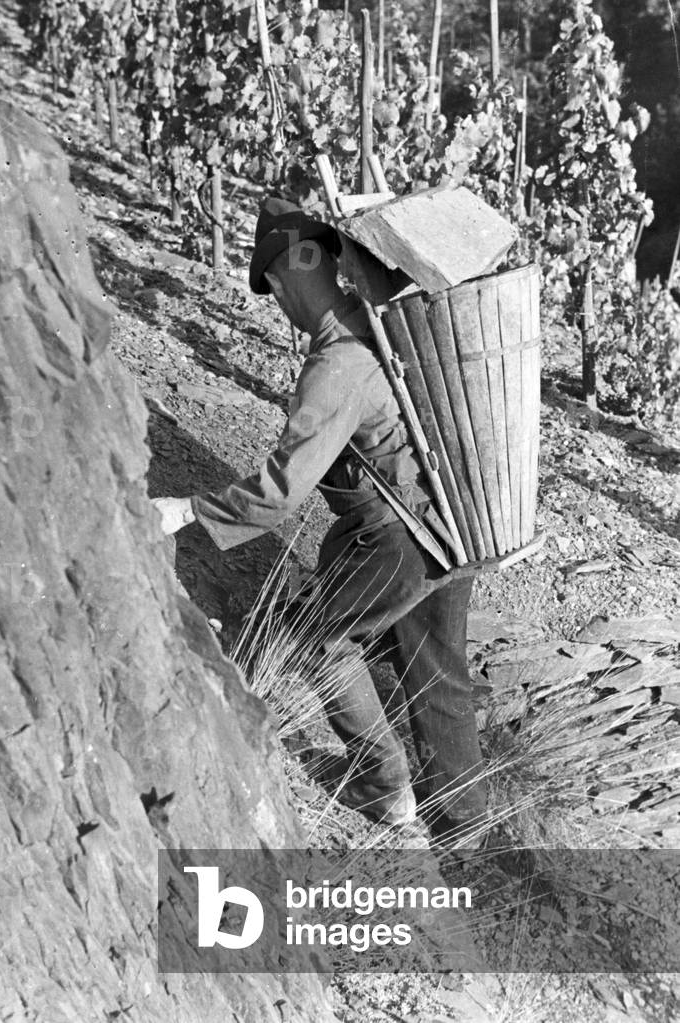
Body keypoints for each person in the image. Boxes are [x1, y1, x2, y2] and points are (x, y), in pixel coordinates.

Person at [153, 198, 488, 839]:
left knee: (313, 638)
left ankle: (384, 784)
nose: (280, 299)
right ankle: (466, 829)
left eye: (275, 282)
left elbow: (280, 493)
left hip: (395, 538)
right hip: (448, 523)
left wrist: (188, 509)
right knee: (439, 679)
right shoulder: (380, 323)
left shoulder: (336, 364)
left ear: (296, 268)